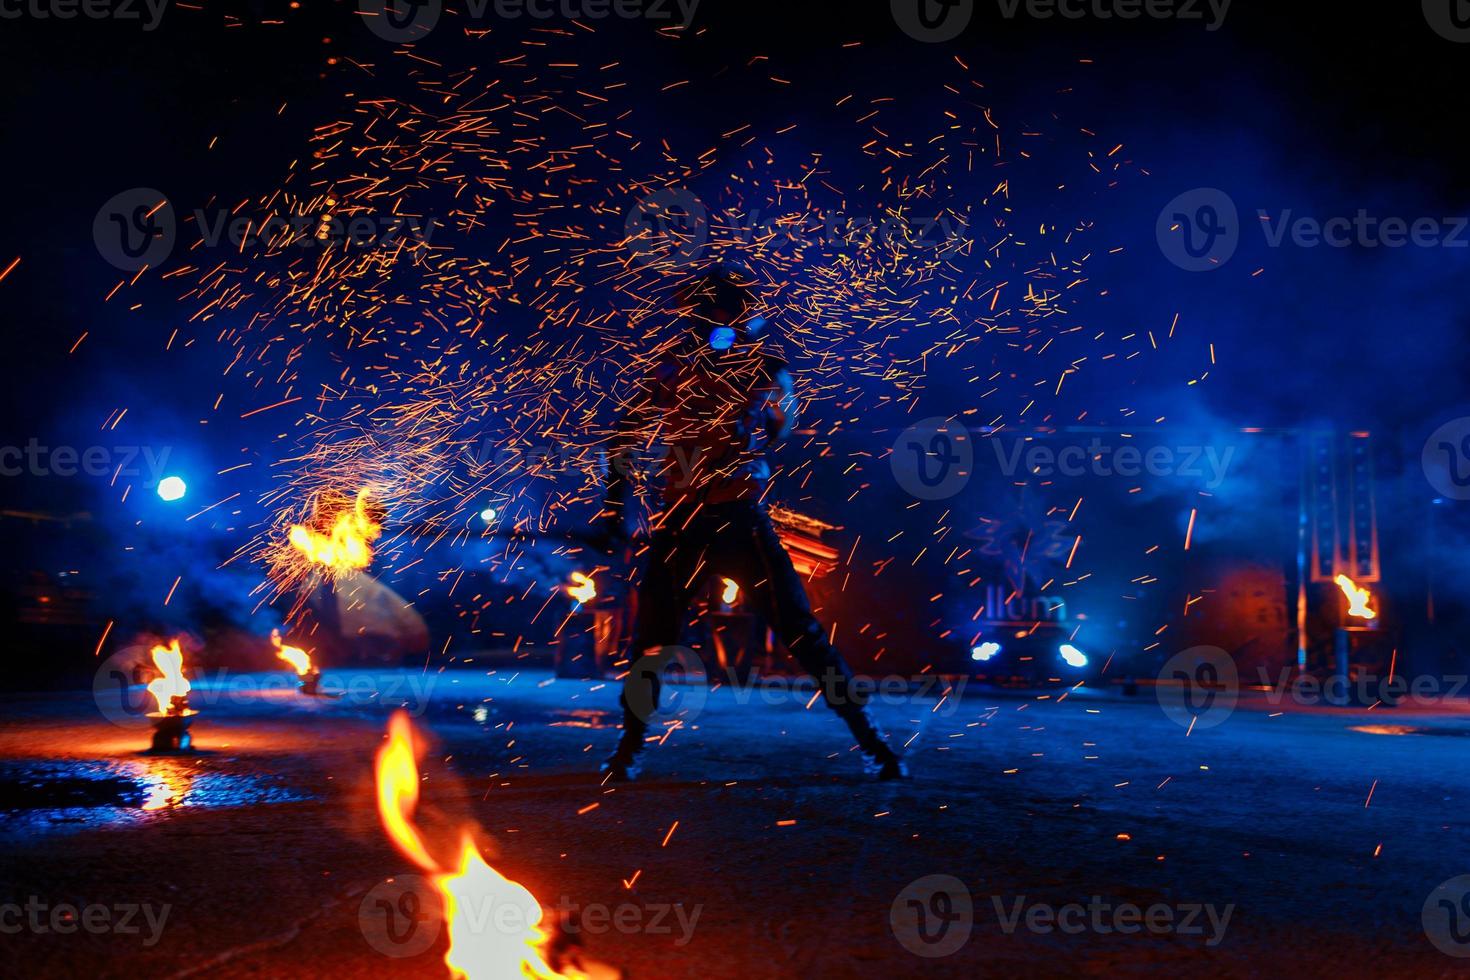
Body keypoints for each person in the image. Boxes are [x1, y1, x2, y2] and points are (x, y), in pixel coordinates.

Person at [598, 266, 907, 781]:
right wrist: (614, 509)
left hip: (737, 519)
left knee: (800, 632)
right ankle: (628, 749)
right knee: (651, 641)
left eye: (714, 312)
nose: (706, 321)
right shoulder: (676, 367)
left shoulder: (763, 369)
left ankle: (872, 741)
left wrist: (755, 445)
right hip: (683, 521)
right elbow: (623, 436)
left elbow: (775, 429)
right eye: (700, 312)